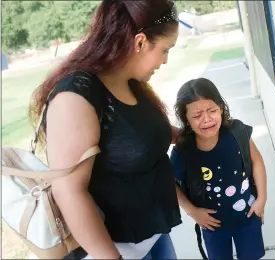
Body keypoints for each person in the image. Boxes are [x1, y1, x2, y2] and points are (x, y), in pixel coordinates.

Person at [28, 0, 182, 259]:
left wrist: (204, 128)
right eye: (166, 50)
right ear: (141, 42)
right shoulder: (76, 97)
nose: (165, 60)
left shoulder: (130, 82)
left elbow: (143, 134)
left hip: (153, 238)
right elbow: (69, 192)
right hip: (116, 250)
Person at [170, 78, 267, 260]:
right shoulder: (183, 151)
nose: (206, 119)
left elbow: (257, 162)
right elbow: (169, 183)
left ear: (221, 108)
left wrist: (262, 198)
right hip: (212, 226)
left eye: (212, 110)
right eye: (197, 115)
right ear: (186, 118)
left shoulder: (238, 132)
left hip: (248, 216)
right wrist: (192, 211)